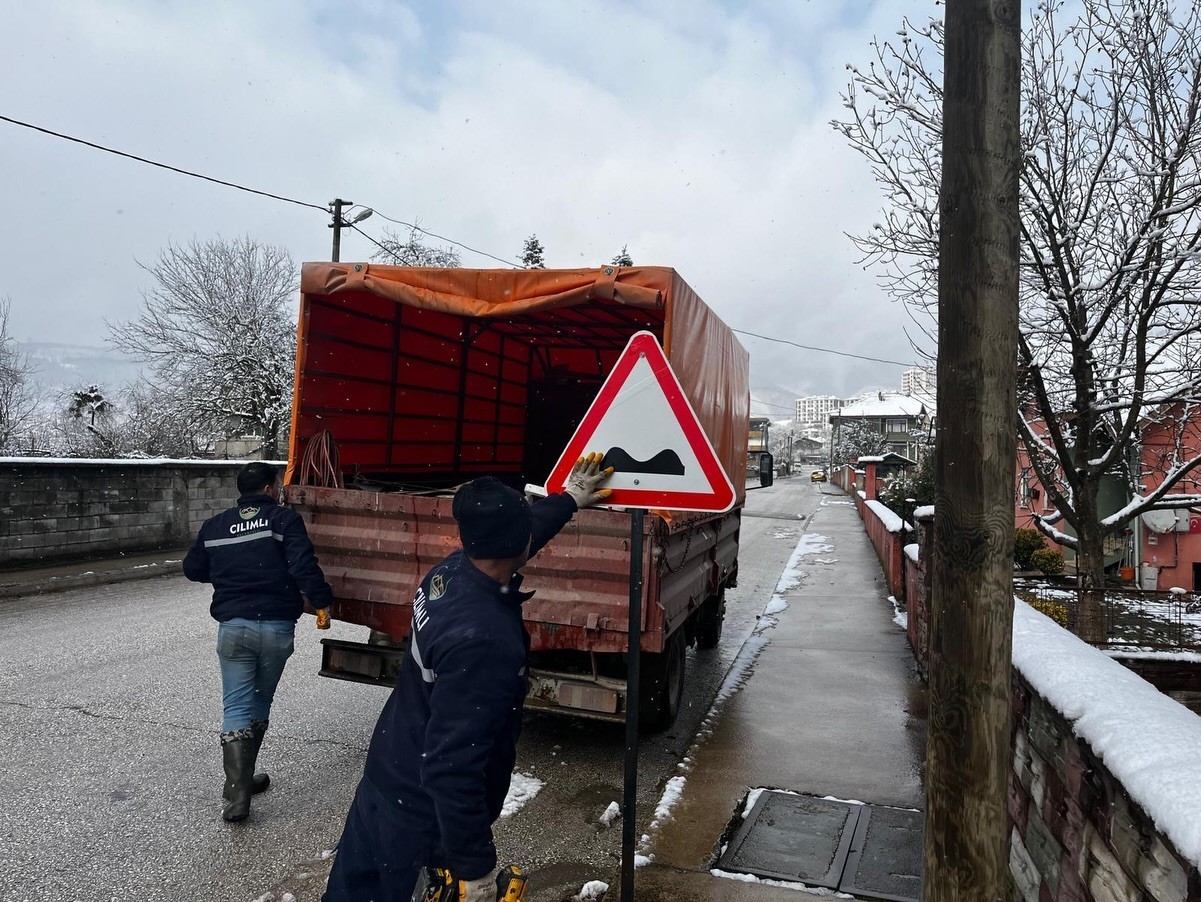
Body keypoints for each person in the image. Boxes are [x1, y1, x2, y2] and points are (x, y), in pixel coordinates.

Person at [323, 454, 613, 902]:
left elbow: (521, 537)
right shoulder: (485, 640)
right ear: (515, 542)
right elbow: (451, 767)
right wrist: (475, 869)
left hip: (385, 782)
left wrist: (569, 500)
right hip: (422, 824)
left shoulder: (450, 573)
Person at [183, 461, 334, 823]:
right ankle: (243, 778)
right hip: (276, 628)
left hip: (234, 628)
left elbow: (193, 569)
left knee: (235, 706)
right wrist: (322, 601)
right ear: (269, 489)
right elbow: (303, 565)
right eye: (278, 486)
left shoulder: (215, 525)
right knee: (260, 700)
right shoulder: (284, 520)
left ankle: (238, 793)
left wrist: (231, 573)